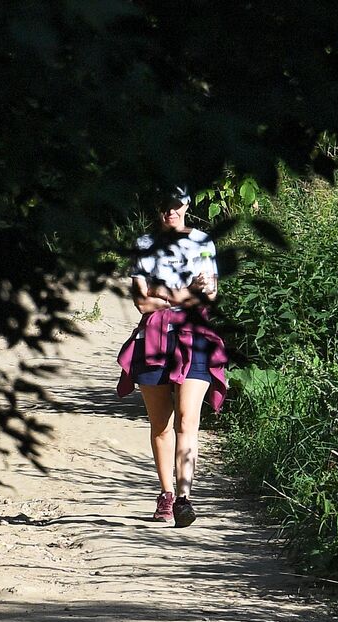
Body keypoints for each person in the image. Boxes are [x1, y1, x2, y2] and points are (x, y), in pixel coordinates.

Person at [115, 187, 229, 527]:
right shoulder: (144, 245)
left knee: (187, 420)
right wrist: (183, 293)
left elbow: (208, 294)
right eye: (165, 205)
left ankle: (183, 497)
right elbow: (141, 302)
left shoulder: (202, 243)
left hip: (195, 337)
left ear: (186, 206)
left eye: (176, 205)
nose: (170, 211)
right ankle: (165, 494)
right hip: (153, 338)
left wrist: (162, 292)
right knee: (160, 424)